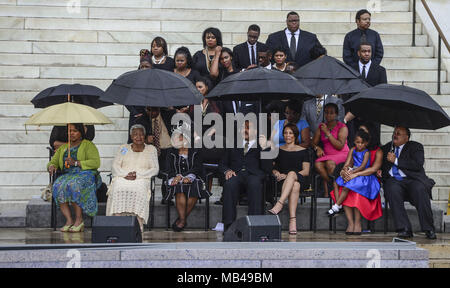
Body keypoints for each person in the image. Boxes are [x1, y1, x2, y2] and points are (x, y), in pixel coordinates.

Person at [381, 127, 436, 239]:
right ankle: (404, 228)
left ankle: (429, 228)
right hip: (395, 180)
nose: (395, 135)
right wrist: (380, 171)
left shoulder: (416, 147)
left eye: (399, 134)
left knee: (420, 189)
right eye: (394, 133)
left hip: (413, 179)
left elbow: (417, 165)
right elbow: (381, 165)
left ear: (406, 138)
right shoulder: (387, 148)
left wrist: (396, 160)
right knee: (391, 188)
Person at [330, 122, 383, 234]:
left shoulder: (377, 151)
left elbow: (373, 169)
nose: (361, 134)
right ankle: (350, 222)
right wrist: (345, 171)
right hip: (354, 175)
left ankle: (357, 223)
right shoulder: (354, 149)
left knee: (356, 191)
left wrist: (355, 174)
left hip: (368, 179)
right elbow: (349, 162)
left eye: (364, 132)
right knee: (344, 187)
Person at [47, 123, 101, 232]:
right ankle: (69, 220)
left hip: (85, 173)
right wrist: (51, 166)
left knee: (74, 185)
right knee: (58, 185)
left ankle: (79, 220)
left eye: (75, 131)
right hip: (69, 175)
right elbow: (53, 162)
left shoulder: (88, 145)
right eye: (69, 131)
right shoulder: (63, 148)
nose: (71, 133)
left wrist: (76, 163)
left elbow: (96, 162)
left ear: (81, 133)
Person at [220, 120, 272, 231]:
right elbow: (222, 164)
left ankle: (254, 225)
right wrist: (227, 171)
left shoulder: (261, 145)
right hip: (236, 174)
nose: (245, 130)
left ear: (256, 131)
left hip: (254, 174)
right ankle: (228, 225)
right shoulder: (233, 144)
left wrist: (265, 149)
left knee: (255, 184)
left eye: (248, 128)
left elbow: (267, 169)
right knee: (229, 184)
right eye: (243, 127)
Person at [106, 124, 159, 232]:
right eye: (135, 134)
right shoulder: (123, 148)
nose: (138, 137)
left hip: (142, 178)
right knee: (117, 187)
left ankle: (138, 224)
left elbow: (155, 169)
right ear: (131, 136)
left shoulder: (151, 149)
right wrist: (125, 174)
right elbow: (115, 166)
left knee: (139, 188)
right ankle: (117, 222)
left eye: (141, 134)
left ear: (144, 136)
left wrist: (138, 175)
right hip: (123, 176)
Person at [165, 128, 210, 232]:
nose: (180, 139)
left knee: (195, 187)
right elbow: (168, 169)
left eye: (182, 137)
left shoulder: (195, 150)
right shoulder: (171, 151)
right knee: (179, 187)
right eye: (177, 137)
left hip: (194, 177)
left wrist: (188, 177)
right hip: (175, 179)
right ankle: (183, 220)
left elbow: (197, 167)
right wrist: (179, 177)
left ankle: (181, 220)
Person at [268, 123, 310, 235]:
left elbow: (306, 171)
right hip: (283, 182)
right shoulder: (278, 150)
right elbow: (272, 167)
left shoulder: (303, 150)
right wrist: (276, 172)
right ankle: (293, 221)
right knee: (294, 185)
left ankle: (280, 203)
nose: (288, 135)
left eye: (290, 133)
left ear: (295, 135)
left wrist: (289, 175)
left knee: (292, 175)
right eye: (285, 133)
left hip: (300, 178)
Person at [344, 42, 386, 148]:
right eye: (364, 51)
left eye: (369, 51)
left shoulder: (380, 70)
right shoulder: (350, 69)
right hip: (353, 115)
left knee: (373, 144)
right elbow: (346, 92)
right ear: (358, 53)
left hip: (373, 115)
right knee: (353, 144)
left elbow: (382, 93)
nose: (367, 54)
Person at [312, 103, 350, 197]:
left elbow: (340, 146)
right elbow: (312, 142)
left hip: (342, 153)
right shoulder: (322, 127)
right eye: (326, 112)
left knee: (329, 163)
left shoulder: (342, 127)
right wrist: (318, 147)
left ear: (336, 114)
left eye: (331, 113)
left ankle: (331, 192)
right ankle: (331, 184)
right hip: (328, 155)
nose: (328, 115)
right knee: (317, 164)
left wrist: (328, 133)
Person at [126, 49, 153, 144]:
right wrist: (134, 112)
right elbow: (126, 98)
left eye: (147, 66)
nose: (144, 69)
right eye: (142, 67)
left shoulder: (155, 80)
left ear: (151, 67)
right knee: (134, 142)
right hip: (136, 117)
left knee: (149, 143)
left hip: (150, 116)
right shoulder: (134, 80)